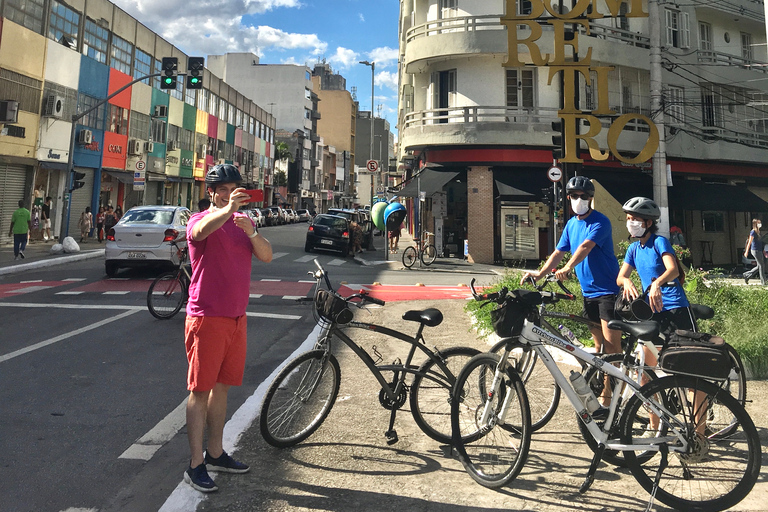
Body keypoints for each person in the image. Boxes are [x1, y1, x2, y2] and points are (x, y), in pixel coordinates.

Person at [182, 164, 272, 493]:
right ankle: (195, 464)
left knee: (221, 388)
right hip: (207, 317)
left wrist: (250, 230)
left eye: (234, 188)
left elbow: (267, 255)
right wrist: (228, 209)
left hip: (237, 318)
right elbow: (199, 233)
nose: (229, 193)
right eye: (222, 189)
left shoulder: (242, 224)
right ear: (211, 193)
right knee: (200, 391)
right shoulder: (200, 219)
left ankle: (216, 452)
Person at [522, 176, 622, 370]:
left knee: (611, 349)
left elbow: (586, 246)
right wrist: (540, 274)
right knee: (598, 346)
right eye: (574, 195)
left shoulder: (600, 222)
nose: (579, 199)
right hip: (588, 293)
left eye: (583, 196)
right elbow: (559, 251)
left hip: (607, 292)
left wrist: (568, 268)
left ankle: (611, 395)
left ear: (591, 198)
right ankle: (601, 383)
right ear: (568, 198)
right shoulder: (571, 224)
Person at [743, 218, 766, 285]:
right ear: (755, 224)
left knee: (760, 266)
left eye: (760, 222)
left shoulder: (758, 232)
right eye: (758, 223)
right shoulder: (753, 232)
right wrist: (746, 251)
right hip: (755, 250)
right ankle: (763, 282)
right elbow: (749, 242)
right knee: (761, 265)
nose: (760, 224)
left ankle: (747, 275)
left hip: (759, 250)